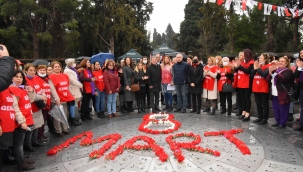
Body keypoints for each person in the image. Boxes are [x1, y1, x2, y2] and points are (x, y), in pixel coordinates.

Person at [9, 70, 36, 170]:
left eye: (20, 77)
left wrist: (32, 91)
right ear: (11, 78)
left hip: (27, 119)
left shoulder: (22, 89)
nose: (19, 79)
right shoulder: (13, 90)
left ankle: (22, 158)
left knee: (21, 142)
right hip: (20, 121)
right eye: (16, 76)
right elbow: (14, 107)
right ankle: (20, 163)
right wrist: (21, 121)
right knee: (18, 143)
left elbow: (31, 100)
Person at [267, 56, 294, 128]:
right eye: (279, 61)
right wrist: (270, 73)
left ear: (286, 63)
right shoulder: (276, 70)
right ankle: (277, 121)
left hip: (283, 93)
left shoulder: (288, 71)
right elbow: (267, 79)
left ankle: (283, 123)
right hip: (274, 93)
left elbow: (283, 79)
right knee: (276, 109)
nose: (280, 62)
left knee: (283, 109)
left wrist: (275, 71)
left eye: (282, 61)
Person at [48, 61, 74, 137]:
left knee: (64, 114)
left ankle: (65, 129)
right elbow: (52, 89)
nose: (57, 68)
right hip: (56, 99)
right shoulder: (51, 77)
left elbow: (67, 87)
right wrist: (57, 98)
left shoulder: (65, 76)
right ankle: (58, 130)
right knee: (57, 116)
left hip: (64, 98)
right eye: (55, 67)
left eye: (58, 66)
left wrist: (72, 95)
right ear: (52, 68)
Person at [24, 64, 46, 147]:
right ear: (26, 71)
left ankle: (35, 141)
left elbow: (41, 89)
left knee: (37, 125)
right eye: (30, 70)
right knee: (31, 127)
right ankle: (28, 144)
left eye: (34, 70)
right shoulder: (25, 80)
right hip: (31, 107)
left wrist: (44, 96)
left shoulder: (36, 78)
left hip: (38, 106)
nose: (32, 72)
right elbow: (31, 95)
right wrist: (42, 97)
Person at [232, 49, 254, 121]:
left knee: (247, 99)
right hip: (241, 83)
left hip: (247, 83)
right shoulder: (242, 62)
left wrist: (239, 66)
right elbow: (238, 70)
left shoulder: (251, 63)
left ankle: (248, 113)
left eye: (243, 54)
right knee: (242, 99)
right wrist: (236, 67)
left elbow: (247, 71)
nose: (242, 56)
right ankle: (243, 112)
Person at [251, 54, 271, 125]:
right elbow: (251, 75)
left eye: (261, 58)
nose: (259, 59)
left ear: (265, 59)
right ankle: (260, 116)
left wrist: (257, 68)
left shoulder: (268, 66)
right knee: (258, 103)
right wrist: (254, 69)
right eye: (259, 58)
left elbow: (264, 74)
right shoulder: (257, 66)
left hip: (263, 88)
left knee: (264, 104)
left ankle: (265, 118)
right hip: (256, 87)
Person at [64, 59, 83, 125]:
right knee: (72, 104)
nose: (75, 63)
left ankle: (74, 117)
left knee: (74, 104)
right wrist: (80, 85)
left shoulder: (72, 69)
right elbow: (72, 80)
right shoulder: (68, 71)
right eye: (74, 62)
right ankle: (72, 119)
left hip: (75, 88)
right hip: (72, 89)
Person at [36, 65, 52, 143]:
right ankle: (39, 135)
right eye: (40, 70)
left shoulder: (47, 79)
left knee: (44, 120)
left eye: (43, 70)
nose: (42, 71)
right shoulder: (36, 79)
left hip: (47, 102)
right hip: (41, 102)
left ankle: (41, 133)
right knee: (40, 120)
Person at [293, 57, 303, 130]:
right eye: (301, 53)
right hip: (301, 88)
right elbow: (296, 75)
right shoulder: (300, 64)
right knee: (302, 107)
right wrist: (299, 67)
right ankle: (301, 125)